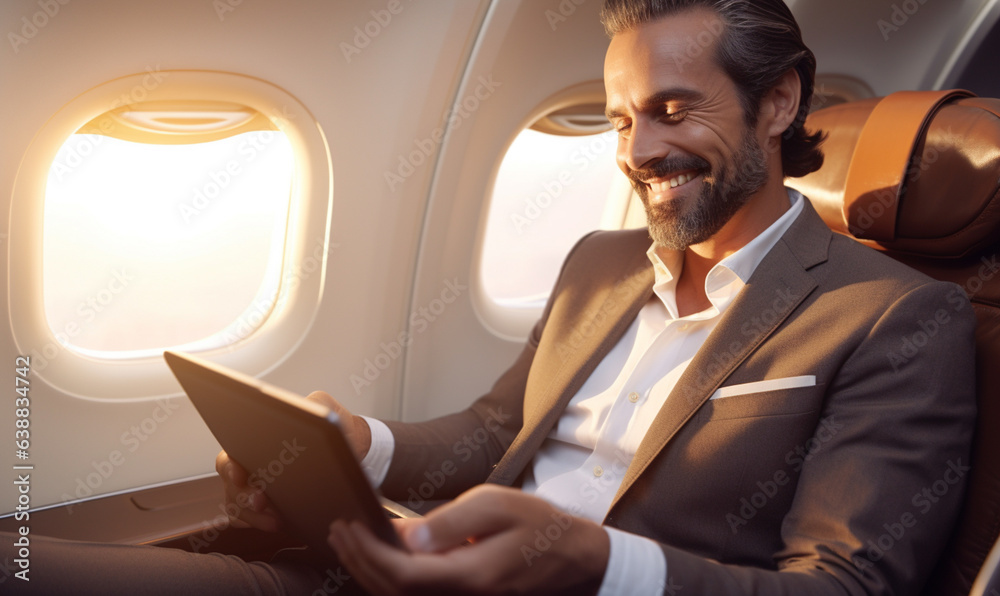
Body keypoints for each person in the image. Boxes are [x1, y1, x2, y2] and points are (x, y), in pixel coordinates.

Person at [1, 0, 976, 594]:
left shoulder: (892, 316)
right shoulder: (601, 259)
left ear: (776, 103)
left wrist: (591, 561)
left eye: (674, 110)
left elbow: (842, 585)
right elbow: (491, 427)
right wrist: (357, 445)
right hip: (403, 566)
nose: (636, 152)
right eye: (624, 116)